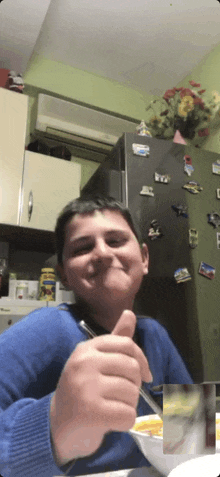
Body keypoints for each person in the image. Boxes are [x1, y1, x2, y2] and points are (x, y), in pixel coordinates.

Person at [0, 195, 193, 477]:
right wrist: (54, 424)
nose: (102, 253)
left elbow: (192, 433)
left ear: (144, 258)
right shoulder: (44, 329)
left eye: (115, 240)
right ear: (63, 275)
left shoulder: (156, 335)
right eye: (82, 247)